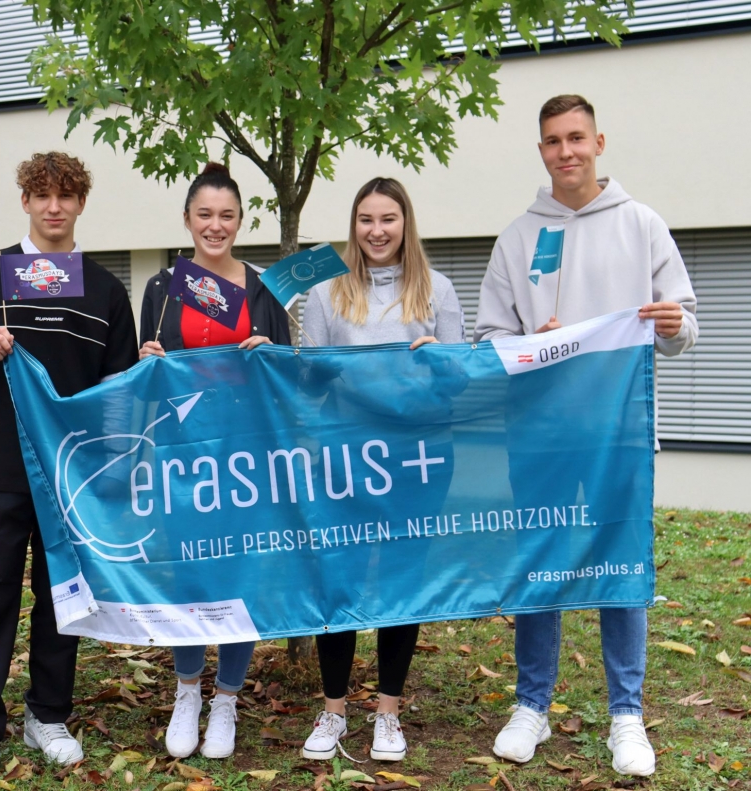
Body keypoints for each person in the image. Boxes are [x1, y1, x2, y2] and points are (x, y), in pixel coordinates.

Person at [474, 95, 697, 777]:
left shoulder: (642, 224)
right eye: (552, 140)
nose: (565, 151)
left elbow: (684, 325)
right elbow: (489, 341)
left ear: (598, 142)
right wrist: (531, 345)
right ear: (540, 150)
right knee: (541, 561)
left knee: (620, 563)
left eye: (576, 137)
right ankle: (531, 704)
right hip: (540, 435)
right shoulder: (517, 238)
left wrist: (672, 325)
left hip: (618, 433)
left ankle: (626, 713)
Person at [0, 152, 138, 786]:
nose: (54, 207)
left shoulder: (105, 290)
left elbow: (120, 389)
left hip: (71, 477)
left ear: (81, 204)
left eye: (66, 196)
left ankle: (47, 716)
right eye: (42, 195)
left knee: (62, 600)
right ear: (24, 201)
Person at [299, 177, 465, 762]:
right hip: (344, 458)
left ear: (405, 223)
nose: (377, 230)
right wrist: (304, 364)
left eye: (388, 218)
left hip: (416, 458)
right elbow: (306, 382)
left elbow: (459, 379)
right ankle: (334, 710)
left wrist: (439, 361)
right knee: (338, 579)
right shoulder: (326, 292)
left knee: (402, 579)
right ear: (354, 225)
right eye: (366, 219)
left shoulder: (438, 289)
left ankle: (388, 712)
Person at [139, 162, 291, 760]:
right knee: (189, 571)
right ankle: (187, 693)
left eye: (227, 215)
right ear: (187, 219)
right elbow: (142, 381)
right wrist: (147, 360)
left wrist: (271, 353)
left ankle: (226, 698)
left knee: (237, 571)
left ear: (241, 221)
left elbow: (290, 374)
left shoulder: (262, 288)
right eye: (204, 214)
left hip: (245, 455)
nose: (215, 225)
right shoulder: (162, 288)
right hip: (181, 456)